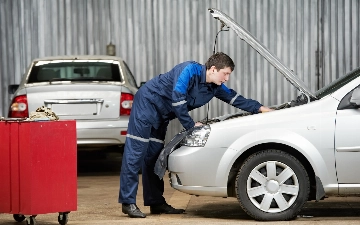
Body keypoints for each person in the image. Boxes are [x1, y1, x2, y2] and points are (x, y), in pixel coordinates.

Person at [119, 52, 273, 218]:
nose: (227, 78)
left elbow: (236, 99)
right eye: (225, 73)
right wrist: (191, 125)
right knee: (135, 153)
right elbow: (177, 99)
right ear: (213, 69)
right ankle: (128, 202)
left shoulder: (214, 87)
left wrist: (262, 109)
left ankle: (156, 202)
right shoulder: (188, 70)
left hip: (162, 115)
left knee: (154, 157)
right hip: (147, 105)